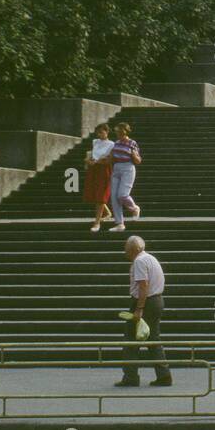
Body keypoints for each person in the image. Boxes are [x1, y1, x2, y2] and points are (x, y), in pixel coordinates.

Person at [115, 235, 172, 388]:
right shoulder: (150, 258)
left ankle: (131, 377)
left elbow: (143, 285)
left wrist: (139, 309)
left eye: (126, 249)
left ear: (134, 249)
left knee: (130, 341)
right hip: (156, 301)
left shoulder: (139, 261)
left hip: (145, 303)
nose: (125, 252)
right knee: (153, 339)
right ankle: (164, 375)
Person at [107, 123, 142, 232]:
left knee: (122, 194)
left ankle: (134, 208)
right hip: (117, 168)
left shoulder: (132, 143)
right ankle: (119, 223)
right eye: (117, 132)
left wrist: (133, 154)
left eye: (119, 132)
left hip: (128, 168)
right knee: (114, 197)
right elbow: (111, 159)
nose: (117, 134)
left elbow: (138, 161)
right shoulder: (116, 143)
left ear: (124, 131)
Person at [83, 123, 114, 232]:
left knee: (101, 195)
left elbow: (109, 159)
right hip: (94, 169)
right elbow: (91, 155)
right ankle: (107, 212)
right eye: (98, 132)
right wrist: (89, 161)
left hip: (103, 169)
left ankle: (97, 222)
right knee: (95, 193)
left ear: (107, 132)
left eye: (102, 132)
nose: (99, 134)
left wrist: (98, 161)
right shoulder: (95, 142)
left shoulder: (111, 144)